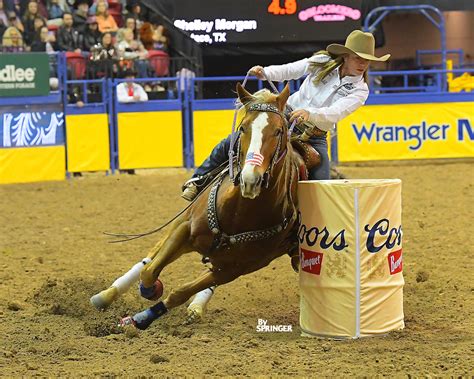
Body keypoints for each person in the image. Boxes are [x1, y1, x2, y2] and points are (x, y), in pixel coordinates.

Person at [181, 30, 391, 201]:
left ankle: (310, 231)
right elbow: (293, 69)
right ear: (345, 56)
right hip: (285, 116)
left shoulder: (361, 90)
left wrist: (310, 113)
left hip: (314, 135)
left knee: (321, 182)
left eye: (367, 60)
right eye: (358, 58)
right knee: (234, 140)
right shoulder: (322, 61)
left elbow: (336, 112)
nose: (362, 64)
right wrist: (267, 73)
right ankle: (197, 180)